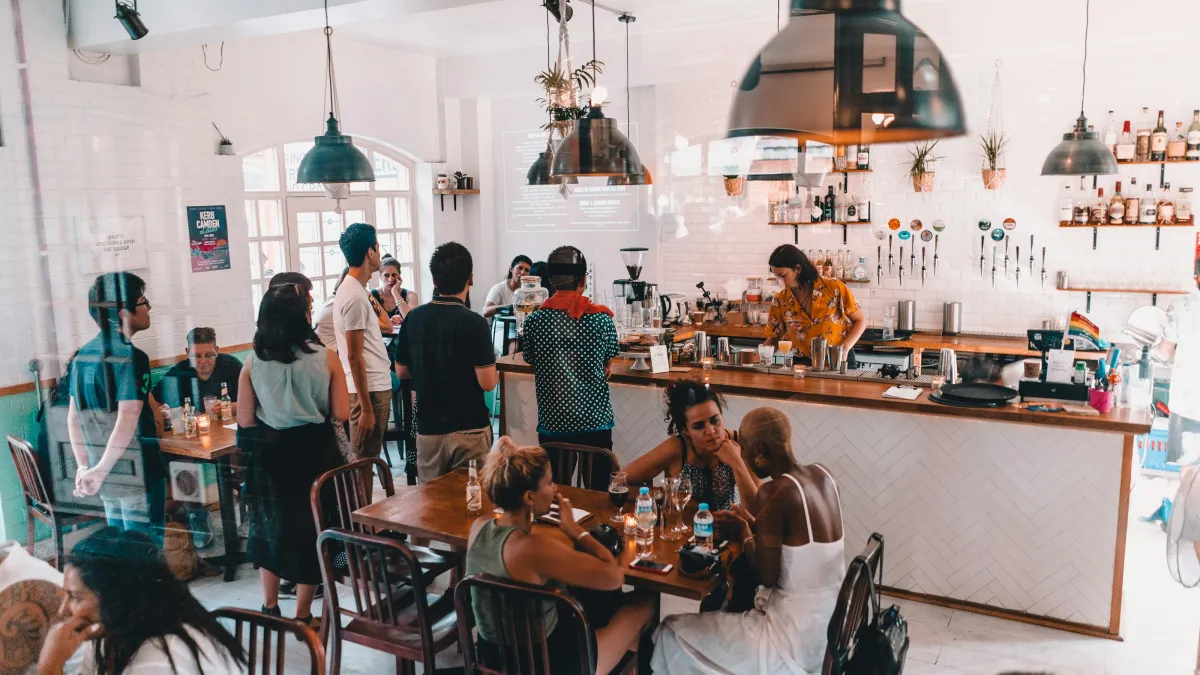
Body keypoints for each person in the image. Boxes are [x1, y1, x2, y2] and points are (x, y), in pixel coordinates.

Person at [651, 407, 845, 674]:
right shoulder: (824, 475)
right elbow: (799, 546)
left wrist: (744, 534)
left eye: (746, 449)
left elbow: (766, 575)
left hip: (791, 643)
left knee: (670, 631)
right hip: (831, 632)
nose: (742, 455)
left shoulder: (774, 493)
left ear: (761, 453)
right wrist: (755, 525)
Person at [466, 437, 655, 675]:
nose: (556, 488)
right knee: (643, 604)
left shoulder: (479, 527)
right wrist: (574, 530)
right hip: (548, 666)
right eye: (550, 482)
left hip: (493, 661)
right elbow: (614, 577)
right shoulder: (535, 549)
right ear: (528, 497)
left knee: (590, 602)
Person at [238, 283, 350, 625]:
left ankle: (270, 606)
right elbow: (342, 413)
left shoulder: (251, 363)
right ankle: (303, 614)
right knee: (311, 533)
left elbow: (244, 419)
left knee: (270, 529)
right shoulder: (326, 358)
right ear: (303, 317)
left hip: (271, 455)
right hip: (314, 453)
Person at [36, 527, 247, 675]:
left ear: (116, 598)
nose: (63, 611)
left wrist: (49, 668)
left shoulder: (159, 659)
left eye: (75, 597)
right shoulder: (112, 631)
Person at [66, 272, 166, 540]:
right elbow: (128, 417)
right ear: (124, 312)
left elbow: (74, 418)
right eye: (144, 301)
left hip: (106, 475)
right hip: (136, 472)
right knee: (146, 556)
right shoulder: (131, 357)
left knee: (123, 557)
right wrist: (96, 470)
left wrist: (86, 467)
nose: (149, 307)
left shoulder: (83, 356)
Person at [395, 242, 497, 482]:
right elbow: (488, 382)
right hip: (470, 427)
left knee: (432, 507)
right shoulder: (475, 322)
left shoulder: (415, 317)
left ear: (434, 280)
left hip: (429, 428)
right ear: (470, 278)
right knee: (471, 504)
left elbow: (401, 371)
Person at [521, 246, 618, 450]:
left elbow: (531, 359)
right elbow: (607, 362)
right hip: (594, 422)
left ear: (551, 281)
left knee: (554, 482)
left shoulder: (534, 321)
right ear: (583, 280)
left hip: (553, 424)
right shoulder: (602, 320)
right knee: (596, 483)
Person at [623, 380, 759, 512]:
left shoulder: (739, 442)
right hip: (685, 530)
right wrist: (661, 494)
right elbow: (620, 482)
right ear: (685, 430)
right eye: (699, 426)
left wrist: (737, 463)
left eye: (715, 420)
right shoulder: (677, 448)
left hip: (731, 529)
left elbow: (758, 510)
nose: (711, 431)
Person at [333, 223, 393, 464]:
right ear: (370, 252)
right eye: (378, 247)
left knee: (367, 458)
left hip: (372, 386)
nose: (379, 253)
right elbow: (354, 355)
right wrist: (366, 409)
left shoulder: (357, 290)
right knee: (363, 461)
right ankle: (364, 504)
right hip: (369, 390)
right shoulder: (355, 296)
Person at [764, 244, 867, 364]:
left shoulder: (834, 288)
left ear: (798, 269)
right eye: (775, 275)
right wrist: (757, 357)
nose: (778, 281)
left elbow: (860, 320)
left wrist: (844, 349)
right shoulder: (780, 300)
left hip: (837, 359)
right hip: (802, 364)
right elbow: (774, 338)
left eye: (782, 275)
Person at [152, 327, 242, 415]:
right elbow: (154, 401)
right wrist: (161, 411)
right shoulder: (180, 370)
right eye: (196, 356)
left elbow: (254, 400)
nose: (203, 361)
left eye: (209, 355)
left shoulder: (232, 366)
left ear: (217, 350)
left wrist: (228, 407)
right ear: (187, 352)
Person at [483, 255, 532, 319]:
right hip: (502, 328)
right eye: (520, 268)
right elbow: (485, 311)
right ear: (511, 268)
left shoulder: (530, 291)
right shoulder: (499, 288)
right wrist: (511, 307)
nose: (522, 272)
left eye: (527, 270)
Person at [373, 256, 419, 324]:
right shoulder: (371, 295)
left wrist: (395, 292)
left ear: (399, 276)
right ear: (380, 276)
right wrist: (389, 322)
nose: (390, 279)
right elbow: (369, 323)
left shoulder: (411, 295)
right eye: (386, 275)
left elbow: (411, 320)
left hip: (404, 334)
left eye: (394, 275)